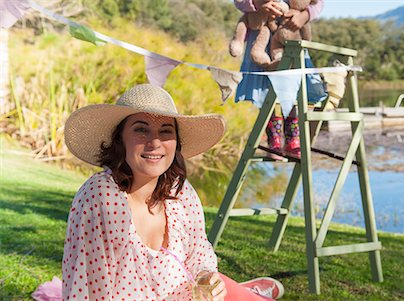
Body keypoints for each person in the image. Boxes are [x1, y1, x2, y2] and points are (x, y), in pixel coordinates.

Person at [31, 84, 285, 301]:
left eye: (166, 131)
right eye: (141, 129)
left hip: (186, 294)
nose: (155, 142)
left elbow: (198, 250)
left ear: (176, 142)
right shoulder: (100, 196)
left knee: (225, 289)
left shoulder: (181, 191)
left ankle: (245, 292)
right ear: (120, 139)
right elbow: (87, 285)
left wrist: (205, 275)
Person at [233, 0, 325, 158]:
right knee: (265, 90)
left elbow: (318, 3)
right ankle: (273, 140)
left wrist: (305, 15)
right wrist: (256, 4)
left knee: (295, 87)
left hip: (291, 33)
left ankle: (292, 140)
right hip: (262, 33)